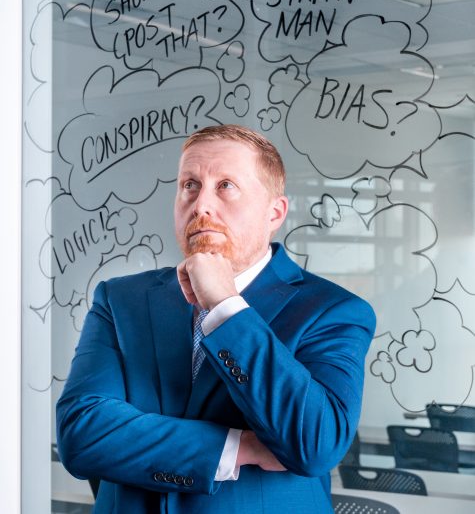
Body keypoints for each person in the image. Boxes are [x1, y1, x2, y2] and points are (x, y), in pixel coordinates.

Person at [57, 124, 376, 513]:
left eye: (225, 186)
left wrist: (225, 305)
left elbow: (314, 444)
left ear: (274, 212)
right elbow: (82, 434)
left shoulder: (334, 311)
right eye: (190, 185)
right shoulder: (120, 299)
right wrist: (239, 447)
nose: (201, 204)